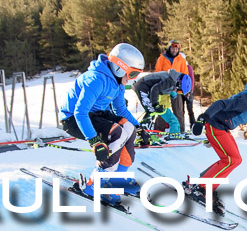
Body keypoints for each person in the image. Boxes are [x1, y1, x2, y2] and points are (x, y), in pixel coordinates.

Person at [185, 73, 247, 215]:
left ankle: (201, 184)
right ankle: (200, 188)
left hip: (221, 128)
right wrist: (202, 119)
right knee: (231, 160)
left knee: (233, 159)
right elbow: (221, 104)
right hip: (215, 126)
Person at [59, 43, 145, 204]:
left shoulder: (117, 83)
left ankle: (116, 179)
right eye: (132, 73)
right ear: (120, 67)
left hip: (95, 114)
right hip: (73, 118)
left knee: (128, 128)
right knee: (117, 133)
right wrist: (95, 141)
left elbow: (121, 110)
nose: (132, 79)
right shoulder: (96, 79)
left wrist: (139, 128)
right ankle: (94, 184)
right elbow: (80, 112)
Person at [132, 69, 192, 136]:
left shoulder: (173, 80)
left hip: (148, 89)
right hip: (142, 87)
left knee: (152, 111)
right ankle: (140, 133)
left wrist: (172, 93)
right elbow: (155, 89)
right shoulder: (170, 81)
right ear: (179, 83)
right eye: (179, 91)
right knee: (151, 111)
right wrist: (156, 105)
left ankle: (144, 132)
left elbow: (163, 88)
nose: (177, 92)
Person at [155, 39, 189, 132]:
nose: (175, 50)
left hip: (176, 88)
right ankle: (159, 129)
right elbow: (157, 72)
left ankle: (180, 130)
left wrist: (185, 88)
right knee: (162, 108)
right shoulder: (162, 58)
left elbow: (185, 74)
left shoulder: (181, 60)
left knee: (178, 109)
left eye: (177, 49)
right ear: (169, 48)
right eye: (173, 48)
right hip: (164, 87)